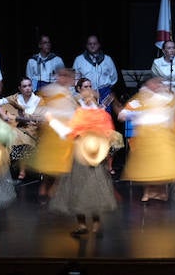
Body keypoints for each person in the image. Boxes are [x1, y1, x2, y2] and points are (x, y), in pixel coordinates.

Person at [47, 77, 123, 236]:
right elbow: (70, 133)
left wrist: (52, 121)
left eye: (90, 93)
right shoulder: (82, 113)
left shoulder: (98, 115)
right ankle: (83, 225)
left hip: (93, 156)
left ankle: (94, 225)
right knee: (80, 188)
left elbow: (108, 134)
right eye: (85, 93)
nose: (88, 97)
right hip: (81, 155)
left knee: (92, 188)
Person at [117, 74, 175, 203]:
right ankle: (148, 192)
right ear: (148, 85)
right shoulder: (141, 98)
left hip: (163, 136)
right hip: (146, 138)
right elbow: (123, 115)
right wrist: (135, 114)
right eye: (153, 83)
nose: (156, 85)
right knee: (147, 165)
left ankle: (162, 192)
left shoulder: (165, 97)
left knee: (164, 164)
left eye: (158, 83)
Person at [28, 65, 79, 202]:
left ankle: (54, 189)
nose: (63, 78)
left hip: (65, 134)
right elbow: (40, 110)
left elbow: (74, 112)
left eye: (65, 76)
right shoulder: (48, 91)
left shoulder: (69, 94)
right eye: (60, 75)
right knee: (49, 165)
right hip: (52, 132)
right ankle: (44, 188)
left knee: (63, 165)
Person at [0, 76, 42, 181]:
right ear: (20, 88)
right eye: (24, 86)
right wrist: (4, 115)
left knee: (12, 135)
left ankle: (16, 170)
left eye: (29, 85)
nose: (27, 88)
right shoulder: (16, 98)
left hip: (31, 131)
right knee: (10, 134)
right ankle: (15, 170)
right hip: (18, 128)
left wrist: (32, 120)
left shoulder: (39, 101)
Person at [73, 34, 120, 111]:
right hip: (87, 94)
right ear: (86, 45)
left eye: (94, 44)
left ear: (99, 44)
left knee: (105, 117)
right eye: (90, 44)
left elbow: (114, 78)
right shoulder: (79, 60)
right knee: (89, 118)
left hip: (104, 93)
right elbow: (75, 80)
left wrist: (105, 88)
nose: (92, 46)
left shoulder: (107, 59)